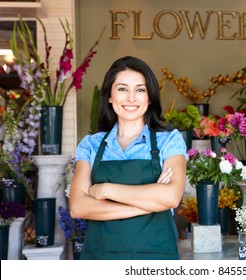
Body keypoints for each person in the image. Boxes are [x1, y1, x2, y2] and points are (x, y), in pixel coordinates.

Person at [70, 56, 187, 260]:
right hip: (100, 259)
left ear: (149, 97)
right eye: (122, 89)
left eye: (140, 89)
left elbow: (171, 197)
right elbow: (78, 207)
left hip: (155, 260)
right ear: (109, 95)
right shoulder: (91, 145)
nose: (131, 98)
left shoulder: (169, 141)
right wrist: (150, 203)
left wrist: (105, 189)